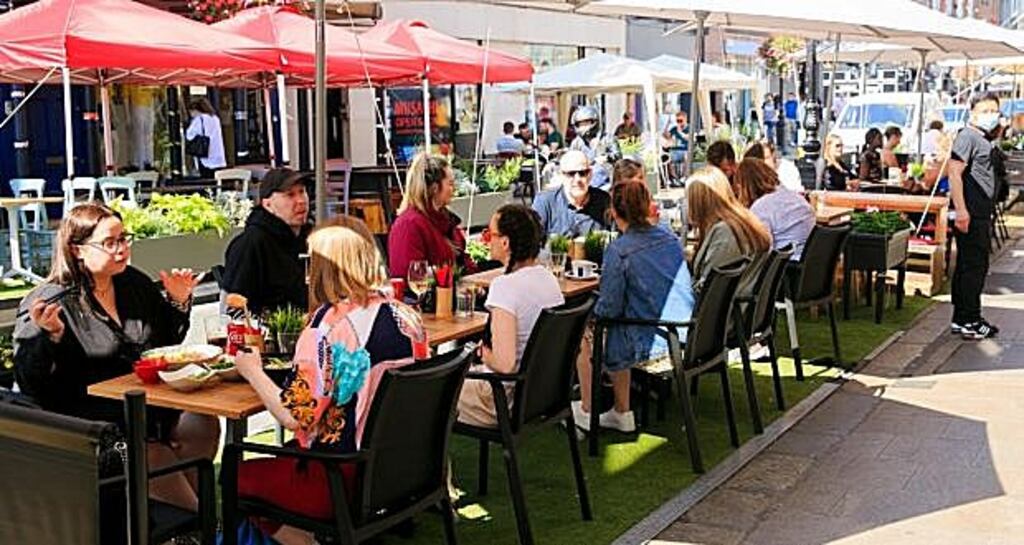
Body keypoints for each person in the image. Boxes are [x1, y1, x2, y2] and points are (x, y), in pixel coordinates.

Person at [233, 216, 427, 545]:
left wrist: (251, 369)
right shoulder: (408, 317)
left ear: (322, 267)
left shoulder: (326, 329)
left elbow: (295, 415)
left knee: (234, 475)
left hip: (342, 477)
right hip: (402, 471)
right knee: (286, 455)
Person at [14, 203, 216, 512]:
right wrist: (50, 335)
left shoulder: (132, 283)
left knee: (202, 423)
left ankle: (180, 520)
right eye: (110, 242)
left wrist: (178, 302)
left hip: (149, 411)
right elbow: (30, 382)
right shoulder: (52, 301)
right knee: (151, 454)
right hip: (92, 429)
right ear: (77, 250)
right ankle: (202, 522)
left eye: (124, 238)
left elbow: (163, 345)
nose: (122, 248)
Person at [572, 181, 695, 433]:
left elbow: (609, 308)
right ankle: (619, 409)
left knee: (583, 334)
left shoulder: (619, 250)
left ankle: (591, 409)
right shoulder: (669, 237)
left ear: (614, 212)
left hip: (653, 339)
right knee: (612, 324)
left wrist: (590, 313)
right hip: (688, 332)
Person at [458, 205, 564, 427]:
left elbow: (504, 365)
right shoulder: (548, 279)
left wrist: (482, 352)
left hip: (502, 400)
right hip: (543, 393)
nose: (487, 240)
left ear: (505, 242)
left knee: (425, 395)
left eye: (490, 234)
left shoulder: (505, 287)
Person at [222, 168, 312, 316]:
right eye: (290, 195)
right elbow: (233, 308)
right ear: (267, 204)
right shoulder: (251, 244)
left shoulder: (311, 237)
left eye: (302, 192)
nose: (301, 201)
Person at [948, 92, 1001, 340]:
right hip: (971, 212)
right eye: (986, 110)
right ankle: (970, 318)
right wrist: (961, 209)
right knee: (974, 267)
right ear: (973, 113)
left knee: (968, 266)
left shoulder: (983, 139)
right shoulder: (967, 137)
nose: (992, 115)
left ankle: (962, 317)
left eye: (995, 110)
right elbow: (954, 172)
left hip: (979, 211)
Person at [686, 167, 771, 293]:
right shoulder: (744, 219)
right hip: (740, 300)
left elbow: (708, 289)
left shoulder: (725, 233)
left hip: (725, 308)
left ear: (698, 202)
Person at [388, 153, 471, 279]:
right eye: (450, 183)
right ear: (434, 188)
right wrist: (442, 272)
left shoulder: (444, 219)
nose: (454, 188)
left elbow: (462, 261)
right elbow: (407, 274)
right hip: (424, 297)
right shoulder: (408, 224)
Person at [734, 158, 815, 260]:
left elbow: (760, 254)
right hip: (812, 264)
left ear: (743, 186)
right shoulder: (796, 198)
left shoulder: (760, 208)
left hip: (788, 269)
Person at [532, 150, 612, 237]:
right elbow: (532, 242)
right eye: (571, 174)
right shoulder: (545, 203)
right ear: (561, 175)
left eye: (582, 173)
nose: (577, 179)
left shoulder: (605, 201)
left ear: (590, 174)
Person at [569, 105, 621, 190]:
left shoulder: (607, 138)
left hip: (606, 182)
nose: (583, 127)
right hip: (583, 181)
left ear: (594, 122)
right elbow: (570, 158)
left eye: (586, 123)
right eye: (581, 124)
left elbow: (618, 155)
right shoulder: (577, 142)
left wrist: (607, 157)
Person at [185, 97, 226, 178]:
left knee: (206, 180)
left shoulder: (199, 119)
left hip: (206, 156)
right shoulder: (215, 118)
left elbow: (189, 135)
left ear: (195, 110)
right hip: (219, 156)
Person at [664, 111, 690, 182]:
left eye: (681, 121)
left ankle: (684, 177)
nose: (679, 123)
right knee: (669, 158)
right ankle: (674, 178)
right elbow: (666, 135)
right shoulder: (674, 129)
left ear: (685, 120)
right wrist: (668, 124)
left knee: (686, 156)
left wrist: (679, 132)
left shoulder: (689, 128)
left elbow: (687, 138)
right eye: (677, 121)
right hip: (674, 150)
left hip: (684, 150)